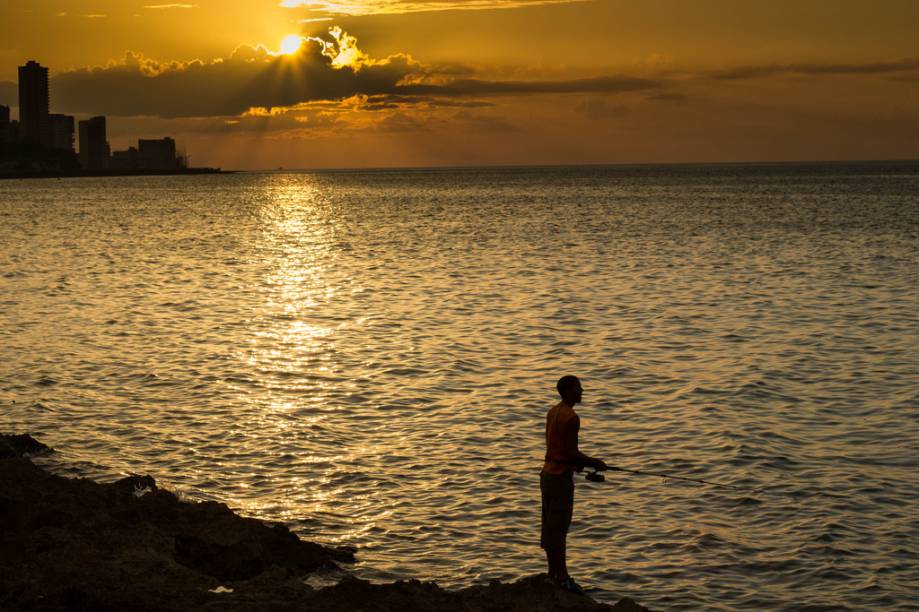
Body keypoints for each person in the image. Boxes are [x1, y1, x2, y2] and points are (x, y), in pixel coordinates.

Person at [540, 375, 608, 594]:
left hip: (547, 474)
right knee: (559, 530)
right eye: (578, 388)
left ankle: (552, 573)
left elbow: (557, 449)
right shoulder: (571, 418)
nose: (582, 391)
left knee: (550, 528)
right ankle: (562, 577)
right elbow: (571, 453)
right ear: (569, 391)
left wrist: (575, 464)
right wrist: (595, 462)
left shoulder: (553, 412)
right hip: (560, 479)